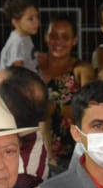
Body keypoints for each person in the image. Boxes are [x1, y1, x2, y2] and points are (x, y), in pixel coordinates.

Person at [38, 17, 96, 171]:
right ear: (45, 37)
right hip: (34, 149)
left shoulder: (81, 70)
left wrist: (55, 108)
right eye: (53, 36)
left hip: (72, 154)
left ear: (75, 40)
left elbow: (90, 108)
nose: (58, 42)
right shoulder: (33, 64)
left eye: (65, 37)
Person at [0, 0, 41, 72]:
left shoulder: (25, 37)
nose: (37, 22)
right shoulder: (17, 43)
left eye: (37, 17)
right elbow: (17, 73)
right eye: (30, 19)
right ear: (15, 22)